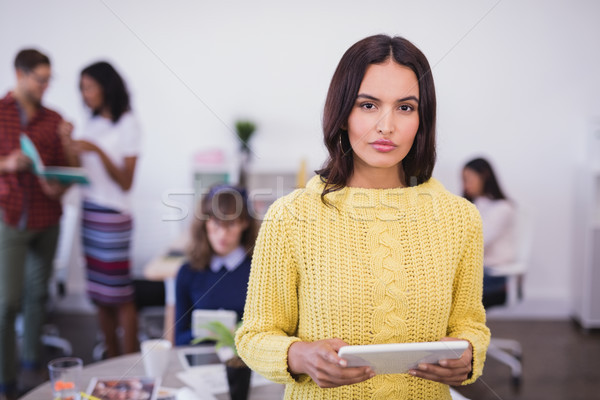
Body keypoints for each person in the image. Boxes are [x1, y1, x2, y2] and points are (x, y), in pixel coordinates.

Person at [235, 35, 490, 399]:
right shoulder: (291, 217)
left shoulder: (460, 218)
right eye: (368, 105)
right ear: (342, 115)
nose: (386, 126)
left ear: (422, 119)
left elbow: (470, 325)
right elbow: (254, 335)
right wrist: (298, 356)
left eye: (405, 108)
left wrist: (469, 354)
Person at [0, 49, 73, 399]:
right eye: (40, 79)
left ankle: (31, 365)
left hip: (47, 217)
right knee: (6, 302)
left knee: (37, 296)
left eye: (49, 79)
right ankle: (6, 379)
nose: (45, 86)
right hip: (10, 217)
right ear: (20, 74)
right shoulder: (0, 114)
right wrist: (6, 164)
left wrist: (59, 176)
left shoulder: (54, 118)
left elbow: (66, 170)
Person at [67, 61, 142, 357]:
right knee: (99, 295)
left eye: (89, 87)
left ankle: (128, 358)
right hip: (90, 212)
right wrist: (67, 143)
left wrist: (96, 149)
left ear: (105, 86)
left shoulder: (128, 124)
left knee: (120, 294)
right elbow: (79, 173)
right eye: (81, 88)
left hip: (113, 216)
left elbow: (126, 182)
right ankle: (110, 358)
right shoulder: (92, 123)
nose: (84, 94)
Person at [175, 184, 258, 346]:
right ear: (204, 223)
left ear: (245, 223)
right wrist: (209, 332)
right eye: (216, 224)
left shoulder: (260, 270)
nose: (222, 234)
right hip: (200, 362)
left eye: (231, 224)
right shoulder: (188, 272)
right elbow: (179, 339)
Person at [462, 157, 517, 308]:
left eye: (469, 179)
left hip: (494, 274)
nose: (466, 185)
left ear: (484, 176)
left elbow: (478, 240)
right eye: (464, 180)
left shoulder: (503, 208)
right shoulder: (473, 204)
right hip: (478, 271)